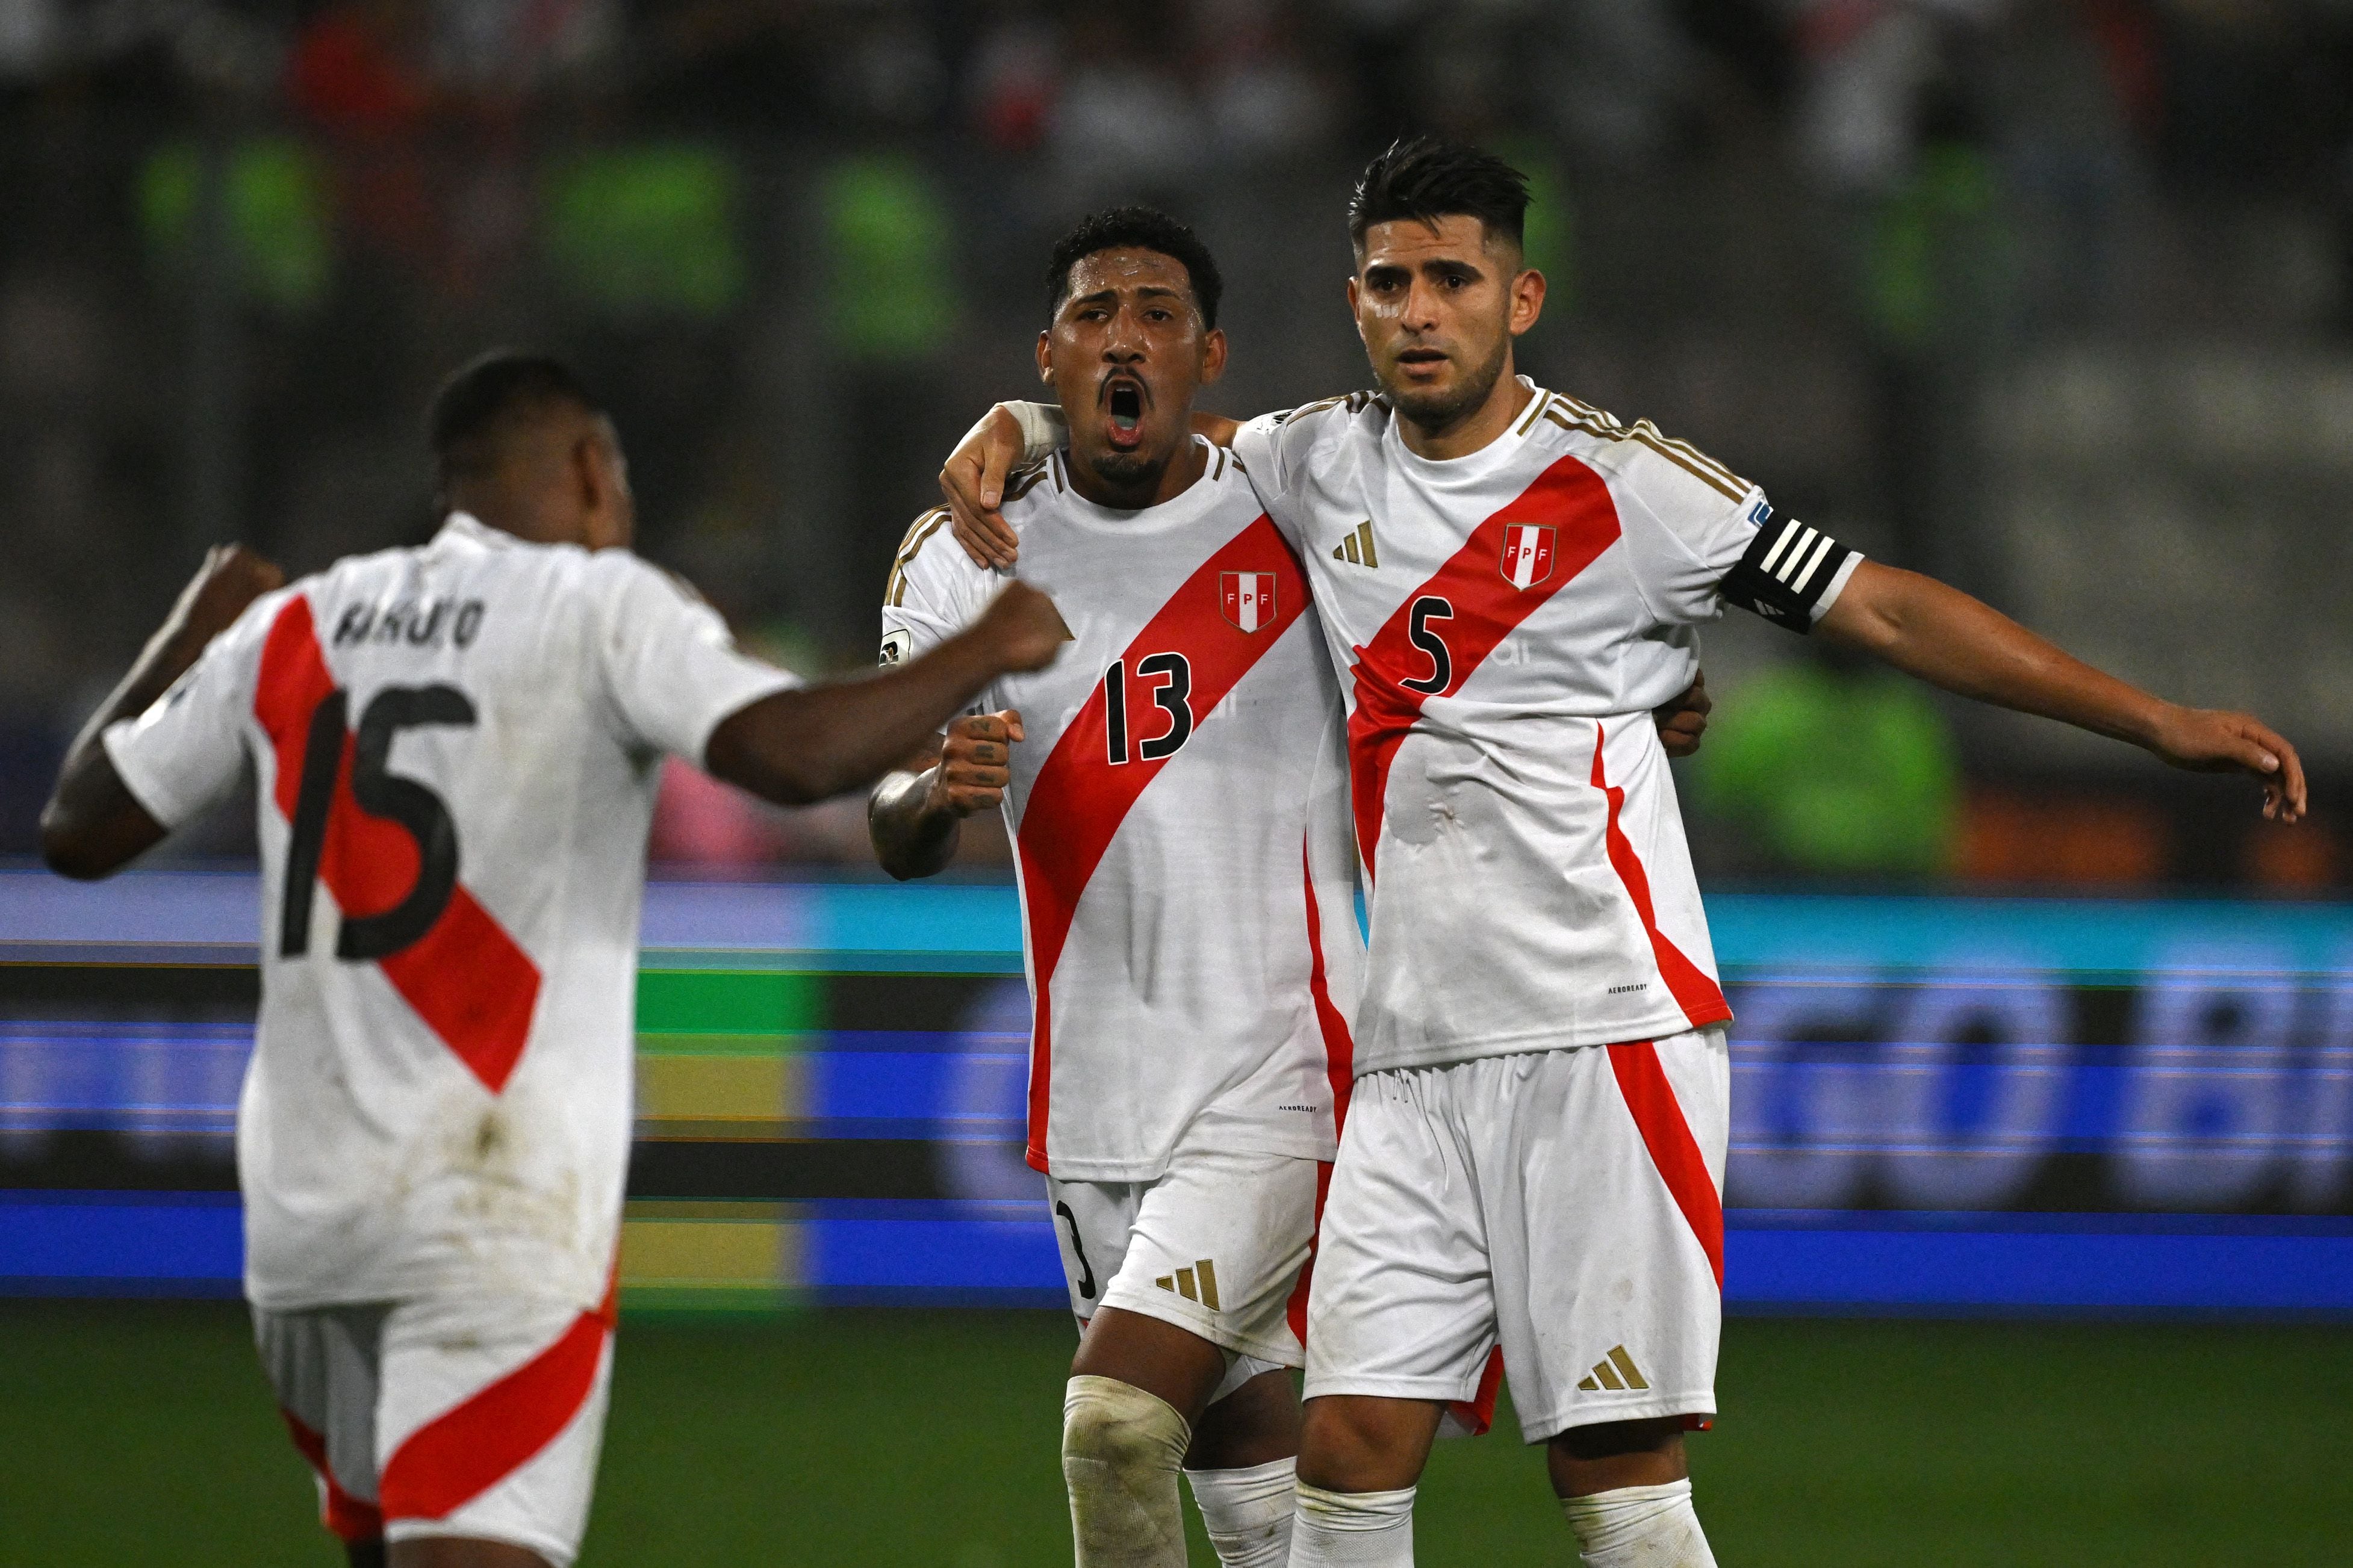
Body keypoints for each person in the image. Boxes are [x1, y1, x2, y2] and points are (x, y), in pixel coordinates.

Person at [937, 137, 2305, 1568]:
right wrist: (1014, 423)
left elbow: (1883, 610)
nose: (1419, 310)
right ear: (1353, 301)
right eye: (1391, 281)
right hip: (1410, 1061)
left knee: (1615, 1483)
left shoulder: (1629, 488)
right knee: (1342, 1461)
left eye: (1452, 279)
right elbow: (1135, 432)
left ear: (1518, 300)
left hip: (1604, 1031)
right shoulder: (1311, 460)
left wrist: (2153, 720)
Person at [38, 352, 1067, 1568]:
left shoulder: (295, 621)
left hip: (305, 1234)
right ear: (588, 472)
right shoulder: (599, 604)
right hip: (489, 1207)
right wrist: (991, 640)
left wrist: (181, 640)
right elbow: (791, 754)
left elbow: (82, 830)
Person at [869, 206, 1715, 1568]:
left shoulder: (1295, 509)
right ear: (1047, 353)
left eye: (1156, 313)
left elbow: (1478, 611)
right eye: (1094, 316)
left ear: (1211, 354)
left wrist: (1637, 691)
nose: (1124, 336)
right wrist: (928, 794)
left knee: (1112, 1427)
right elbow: (889, 808)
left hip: (1289, 1079)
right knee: (1253, 1504)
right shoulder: (964, 554)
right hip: (1092, 1105)